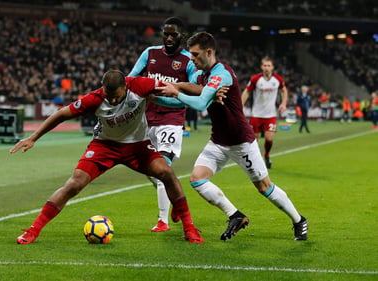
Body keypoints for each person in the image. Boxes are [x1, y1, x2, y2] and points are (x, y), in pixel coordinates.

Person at [10, 70, 204, 244]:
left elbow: (177, 86)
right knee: (74, 184)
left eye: (116, 97)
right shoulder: (95, 98)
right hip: (104, 146)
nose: (111, 101)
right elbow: (62, 114)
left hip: (138, 145)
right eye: (108, 96)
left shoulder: (140, 85)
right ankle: (33, 230)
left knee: (166, 172)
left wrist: (206, 92)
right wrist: (33, 137)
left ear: (125, 87)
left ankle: (189, 228)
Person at [155, 32, 308, 241]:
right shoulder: (202, 76)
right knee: (197, 179)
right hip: (218, 141)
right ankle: (235, 215)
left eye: (195, 54)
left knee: (264, 187)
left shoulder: (222, 74)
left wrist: (176, 91)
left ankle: (299, 220)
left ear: (209, 52)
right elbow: (184, 100)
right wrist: (154, 98)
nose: (191, 59)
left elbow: (199, 104)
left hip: (241, 142)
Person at [128, 17, 199, 232]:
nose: (169, 38)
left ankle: (163, 221)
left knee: (162, 168)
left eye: (173, 34)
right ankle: (175, 197)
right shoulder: (149, 53)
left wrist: (156, 98)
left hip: (172, 120)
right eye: (166, 33)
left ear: (181, 36)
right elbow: (131, 78)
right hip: (147, 120)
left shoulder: (188, 61)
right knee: (149, 170)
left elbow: (191, 92)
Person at [241, 56, 288, 169]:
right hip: (256, 114)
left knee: (269, 139)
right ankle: (255, 160)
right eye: (265, 65)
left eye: (269, 66)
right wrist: (240, 105)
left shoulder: (278, 80)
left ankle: (266, 155)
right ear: (262, 67)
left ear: (272, 67)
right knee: (253, 140)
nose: (267, 68)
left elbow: (284, 90)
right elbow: (247, 92)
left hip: (270, 115)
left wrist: (284, 103)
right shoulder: (256, 79)